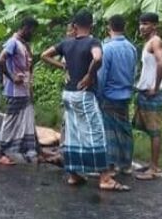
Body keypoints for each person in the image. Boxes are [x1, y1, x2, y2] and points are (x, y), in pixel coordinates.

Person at [41, 10, 128, 191]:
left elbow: (44, 55)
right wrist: (90, 74)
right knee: (96, 133)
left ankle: (74, 174)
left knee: (73, 133)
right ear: (92, 25)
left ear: (74, 26)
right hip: (84, 94)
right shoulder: (92, 42)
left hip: (68, 94)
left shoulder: (66, 42)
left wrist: (63, 66)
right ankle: (105, 177)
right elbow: (98, 57)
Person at [0, 17, 39, 166]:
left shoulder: (24, 45)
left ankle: (30, 151)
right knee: (10, 121)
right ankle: (1, 153)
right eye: (32, 30)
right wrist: (12, 77)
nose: (33, 33)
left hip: (24, 90)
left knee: (27, 120)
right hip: (14, 91)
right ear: (25, 28)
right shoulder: (13, 42)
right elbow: (0, 60)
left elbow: (29, 68)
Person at [98, 15, 137, 175]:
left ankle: (110, 164)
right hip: (125, 94)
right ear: (124, 27)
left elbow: (102, 75)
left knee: (109, 131)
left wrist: (98, 94)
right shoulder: (131, 48)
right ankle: (126, 163)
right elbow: (134, 71)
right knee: (124, 129)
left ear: (109, 27)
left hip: (109, 95)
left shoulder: (107, 48)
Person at [134, 12, 162, 181]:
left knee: (154, 131)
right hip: (145, 92)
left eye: (146, 24)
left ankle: (154, 169)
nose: (142, 27)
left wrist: (155, 86)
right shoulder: (149, 42)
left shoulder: (155, 42)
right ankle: (152, 164)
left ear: (155, 26)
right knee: (148, 129)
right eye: (141, 23)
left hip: (153, 93)